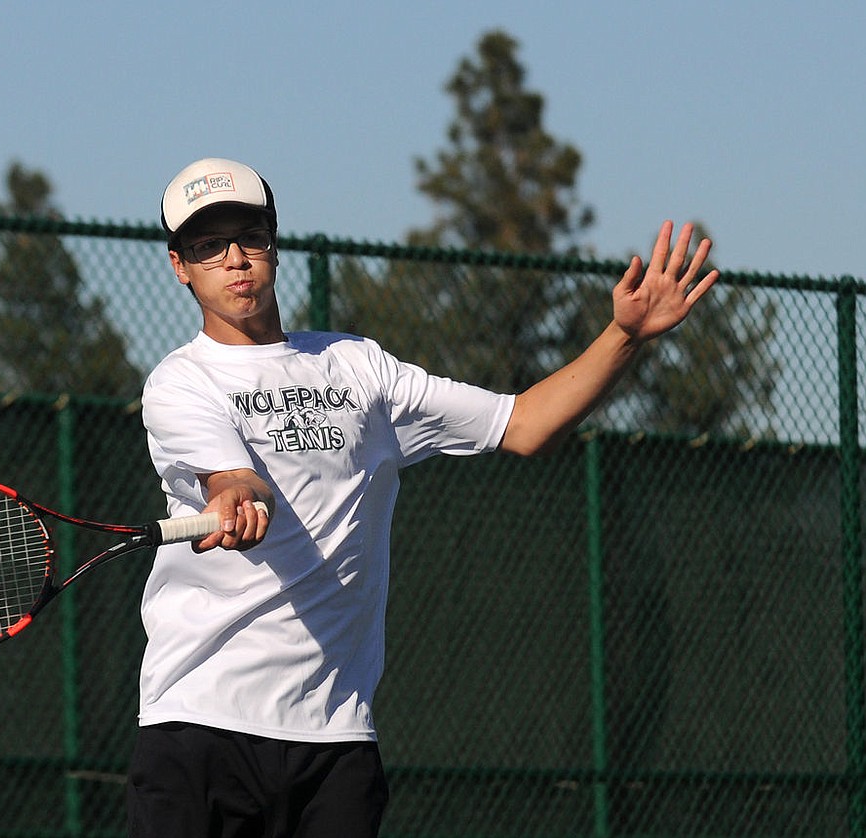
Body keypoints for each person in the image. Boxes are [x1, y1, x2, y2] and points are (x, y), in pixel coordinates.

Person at [126, 157, 718, 837]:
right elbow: (230, 477)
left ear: (274, 244)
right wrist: (234, 493)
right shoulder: (179, 384)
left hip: (335, 735)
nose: (235, 259)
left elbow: (523, 424)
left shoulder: (361, 368)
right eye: (208, 246)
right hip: (198, 725)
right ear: (181, 266)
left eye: (249, 236)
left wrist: (624, 337)